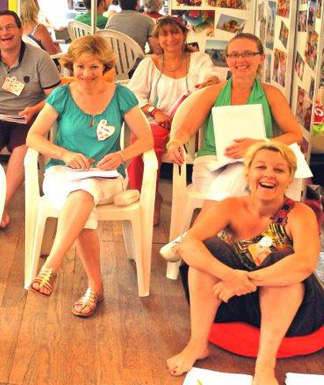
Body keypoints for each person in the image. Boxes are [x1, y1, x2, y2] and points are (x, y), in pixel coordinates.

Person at [166, 141, 323, 385]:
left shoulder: (300, 213)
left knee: (283, 259)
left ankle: (265, 366)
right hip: (231, 298)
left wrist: (248, 280)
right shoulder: (231, 205)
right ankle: (197, 345)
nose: (269, 174)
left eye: (279, 170)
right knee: (209, 249)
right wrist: (229, 275)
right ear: (248, 173)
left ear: (289, 179)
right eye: (261, 167)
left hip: (290, 312)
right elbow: (188, 244)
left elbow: (305, 263)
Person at [25, 35, 153, 317]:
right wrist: (64, 154)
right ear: (71, 66)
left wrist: (121, 155)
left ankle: (50, 268)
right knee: (81, 201)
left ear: (106, 66)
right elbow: (33, 137)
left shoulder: (122, 95)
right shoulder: (61, 95)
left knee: (83, 196)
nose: (86, 74)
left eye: (94, 67)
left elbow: (146, 140)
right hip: (62, 172)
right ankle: (95, 287)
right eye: (80, 66)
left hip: (105, 176)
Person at [161, 33, 304, 260]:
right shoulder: (214, 92)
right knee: (242, 181)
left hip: (252, 165)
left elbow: (295, 134)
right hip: (211, 163)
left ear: (261, 58)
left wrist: (260, 144)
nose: (241, 60)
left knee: (242, 173)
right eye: (235, 55)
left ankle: (191, 239)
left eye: (248, 53)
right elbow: (186, 128)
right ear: (226, 59)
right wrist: (176, 141)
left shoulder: (271, 94)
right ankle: (236, 255)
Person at [0, 10, 61, 228]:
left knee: (23, 151)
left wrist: (34, 109)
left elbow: (56, 96)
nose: (4, 33)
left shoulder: (39, 58)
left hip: (27, 117)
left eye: (9, 27)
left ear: (19, 30)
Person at [127, 17, 220, 224]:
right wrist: (155, 111)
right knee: (141, 142)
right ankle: (148, 197)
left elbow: (211, 76)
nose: (170, 38)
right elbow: (133, 95)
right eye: (164, 34)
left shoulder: (198, 59)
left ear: (184, 35)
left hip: (191, 126)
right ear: (157, 40)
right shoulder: (148, 63)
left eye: (175, 32)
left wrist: (210, 81)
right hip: (158, 122)